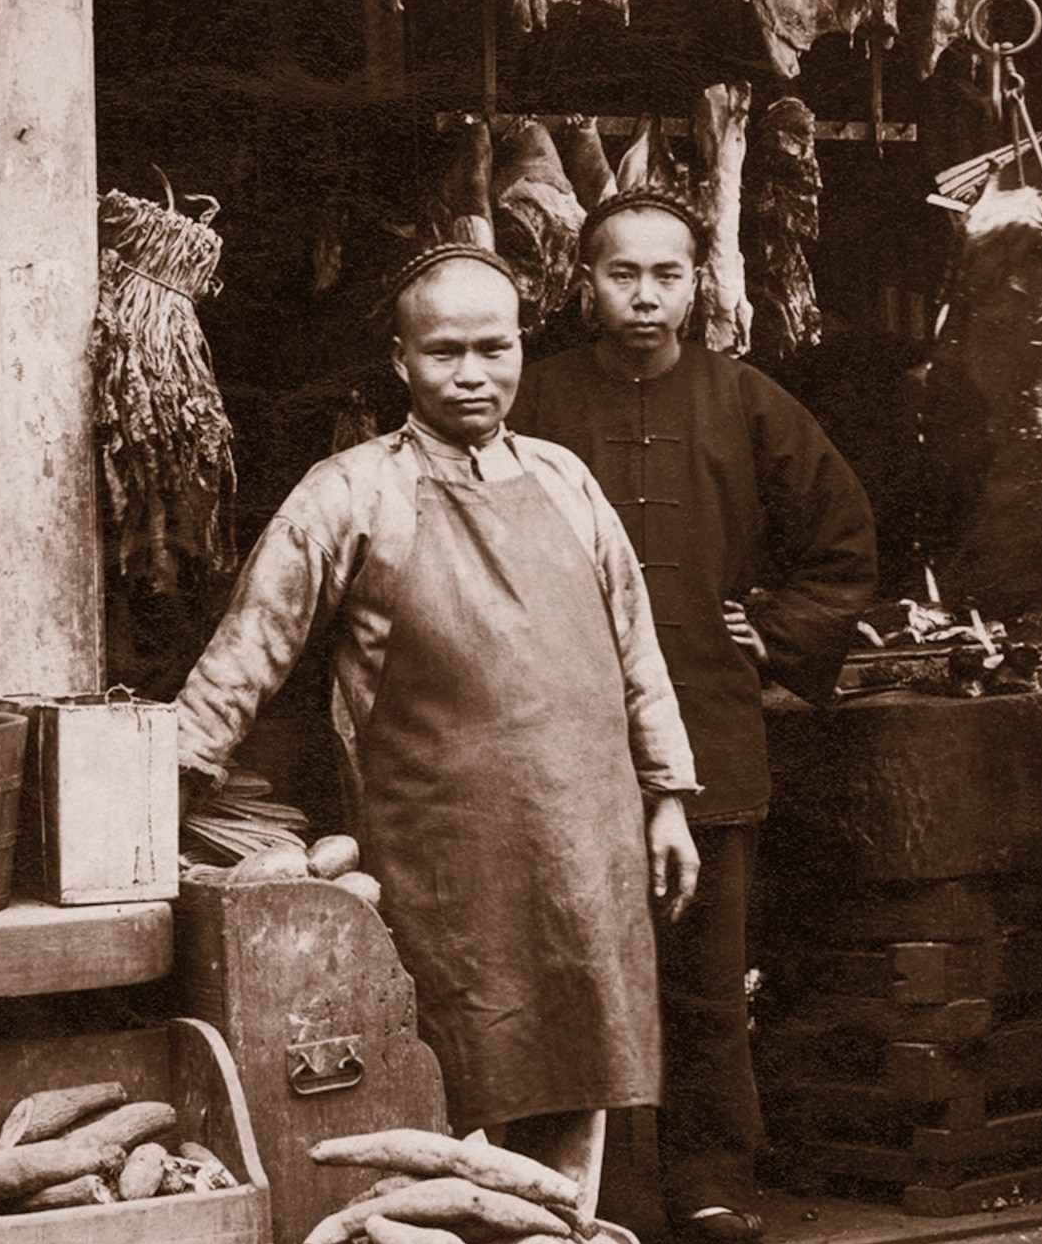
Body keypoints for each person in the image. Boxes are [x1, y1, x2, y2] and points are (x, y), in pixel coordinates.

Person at [173, 243, 701, 1168]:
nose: (471, 374)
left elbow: (636, 650)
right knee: (449, 1067)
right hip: (437, 848)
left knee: (585, 1054)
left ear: (522, 350)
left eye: (493, 349)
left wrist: (667, 796)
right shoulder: (351, 488)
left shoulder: (568, 480)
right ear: (400, 359)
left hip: (587, 834)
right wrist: (176, 773)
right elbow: (255, 640)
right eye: (444, 351)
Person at [514, 191, 875, 1244]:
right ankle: (564, 1195)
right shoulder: (533, 401)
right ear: (585, 282)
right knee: (560, 961)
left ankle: (709, 1179)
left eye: (666, 275)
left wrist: (776, 629)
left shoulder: (749, 401)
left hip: (708, 723)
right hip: (553, 729)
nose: (643, 296)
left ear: (699, 285)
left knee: (705, 974)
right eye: (622, 274)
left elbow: (843, 537)